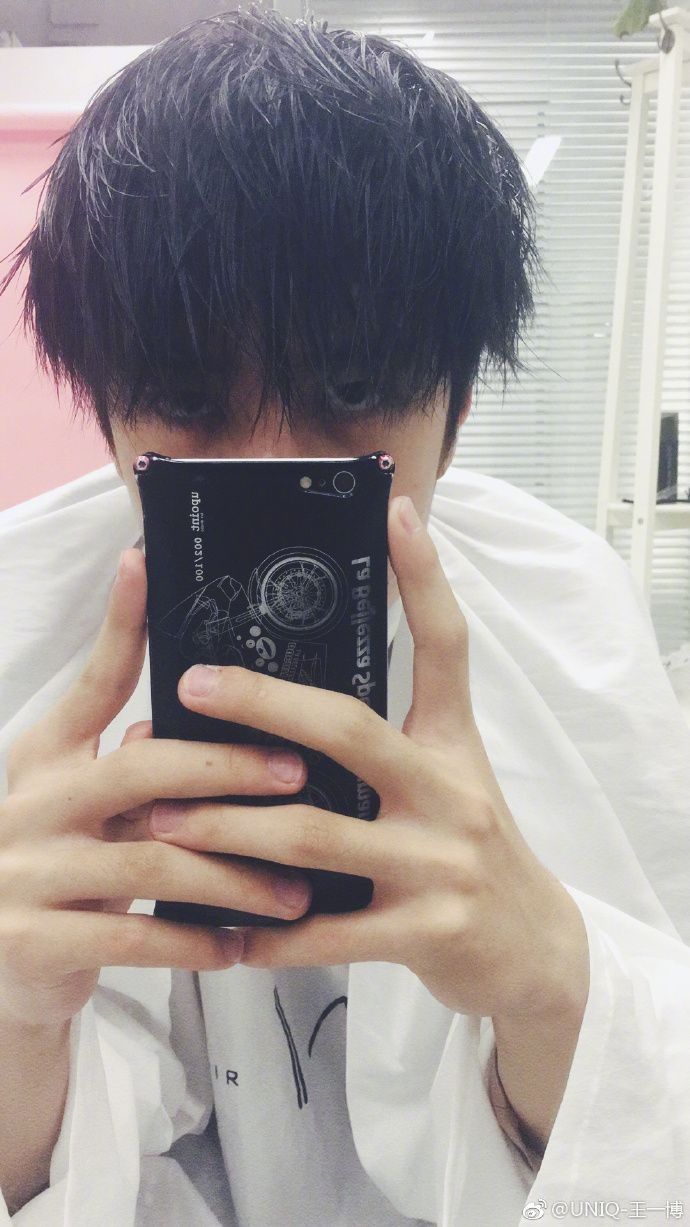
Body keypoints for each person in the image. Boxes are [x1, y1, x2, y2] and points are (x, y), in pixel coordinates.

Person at [2, 7, 690, 1224]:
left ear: (456, 414)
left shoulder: (563, 604)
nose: (273, 468)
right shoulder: (19, 608)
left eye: (354, 389)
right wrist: (14, 1013)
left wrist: (548, 978)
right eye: (185, 399)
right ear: (105, 413)